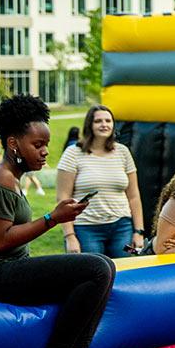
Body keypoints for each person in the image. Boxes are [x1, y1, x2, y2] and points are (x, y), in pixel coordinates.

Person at [0, 94, 113, 348]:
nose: (45, 151)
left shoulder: (12, 178)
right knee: (95, 269)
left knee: (104, 265)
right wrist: (53, 218)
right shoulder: (0, 178)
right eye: (37, 145)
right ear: (13, 143)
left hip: (6, 270)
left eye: (46, 145)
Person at [56, 105, 147, 258]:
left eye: (108, 121)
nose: (104, 124)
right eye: (98, 121)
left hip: (122, 227)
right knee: (92, 274)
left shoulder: (123, 152)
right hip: (86, 229)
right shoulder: (73, 153)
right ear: (89, 125)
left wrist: (138, 232)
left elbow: (134, 196)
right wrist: (70, 236)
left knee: (124, 271)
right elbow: (63, 198)